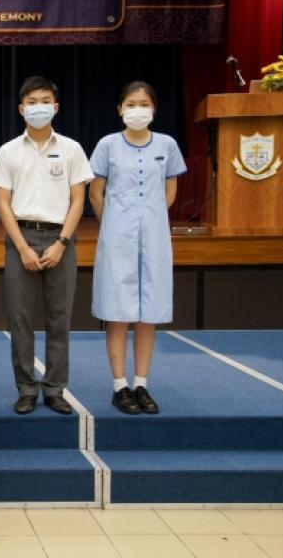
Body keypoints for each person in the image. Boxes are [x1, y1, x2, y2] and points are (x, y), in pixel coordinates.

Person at [0, 76, 93, 416]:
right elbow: (2, 203)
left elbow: (79, 201)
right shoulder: (8, 151)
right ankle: (26, 389)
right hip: (21, 238)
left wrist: (62, 243)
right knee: (20, 319)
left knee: (59, 319)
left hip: (61, 239)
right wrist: (21, 247)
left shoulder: (72, 149)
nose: (39, 107)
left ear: (56, 107)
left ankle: (55, 389)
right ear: (21, 109)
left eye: (45, 101)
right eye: (32, 102)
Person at [88, 81, 187, 415]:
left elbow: (170, 191)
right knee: (118, 313)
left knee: (149, 313)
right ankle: (120, 386)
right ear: (120, 109)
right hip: (117, 238)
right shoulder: (107, 145)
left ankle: (141, 383)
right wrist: (115, 223)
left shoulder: (167, 144)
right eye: (131, 104)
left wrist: (149, 216)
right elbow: (96, 193)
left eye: (144, 104)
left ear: (154, 109)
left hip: (155, 238)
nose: (137, 110)